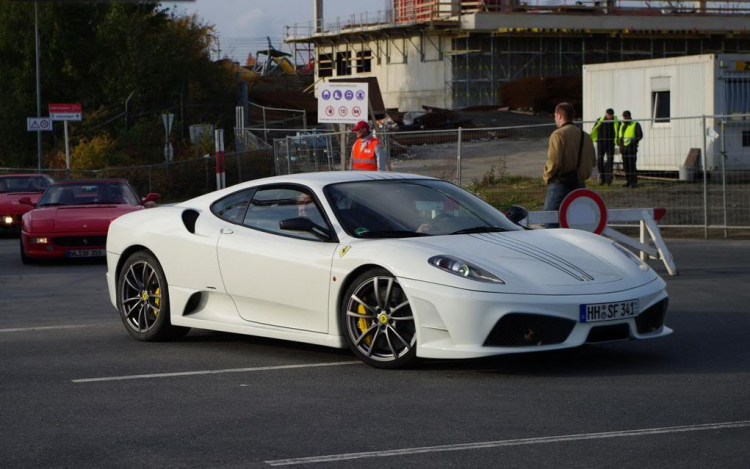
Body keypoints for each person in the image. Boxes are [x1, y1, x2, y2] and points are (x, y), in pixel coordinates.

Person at [543, 102, 596, 227]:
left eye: (555, 116)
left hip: (560, 184)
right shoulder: (586, 136)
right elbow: (593, 161)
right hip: (580, 184)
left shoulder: (558, 134)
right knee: (579, 224)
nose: (555, 119)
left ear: (559, 116)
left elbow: (554, 161)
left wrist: (547, 176)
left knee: (550, 222)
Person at [591, 108, 619, 185]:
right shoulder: (599, 120)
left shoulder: (616, 121)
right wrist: (596, 140)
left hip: (610, 144)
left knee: (610, 161)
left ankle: (608, 180)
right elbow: (594, 129)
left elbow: (618, 131)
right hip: (601, 143)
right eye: (609, 114)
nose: (610, 116)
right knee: (600, 161)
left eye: (611, 115)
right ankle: (602, 178)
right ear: (606, 114)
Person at [616, 110, 643, 188]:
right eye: (623, 116)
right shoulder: (622, 125)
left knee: (632, 166)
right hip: (624, 150)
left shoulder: (635, 124)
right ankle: (628, 181)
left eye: (625, 116)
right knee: (626, 166)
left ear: (629, 116)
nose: (623, 118)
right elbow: (620, 136)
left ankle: (634, 182)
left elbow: (639, 135)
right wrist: (619, 143)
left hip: (631, 149)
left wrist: (632, 140)